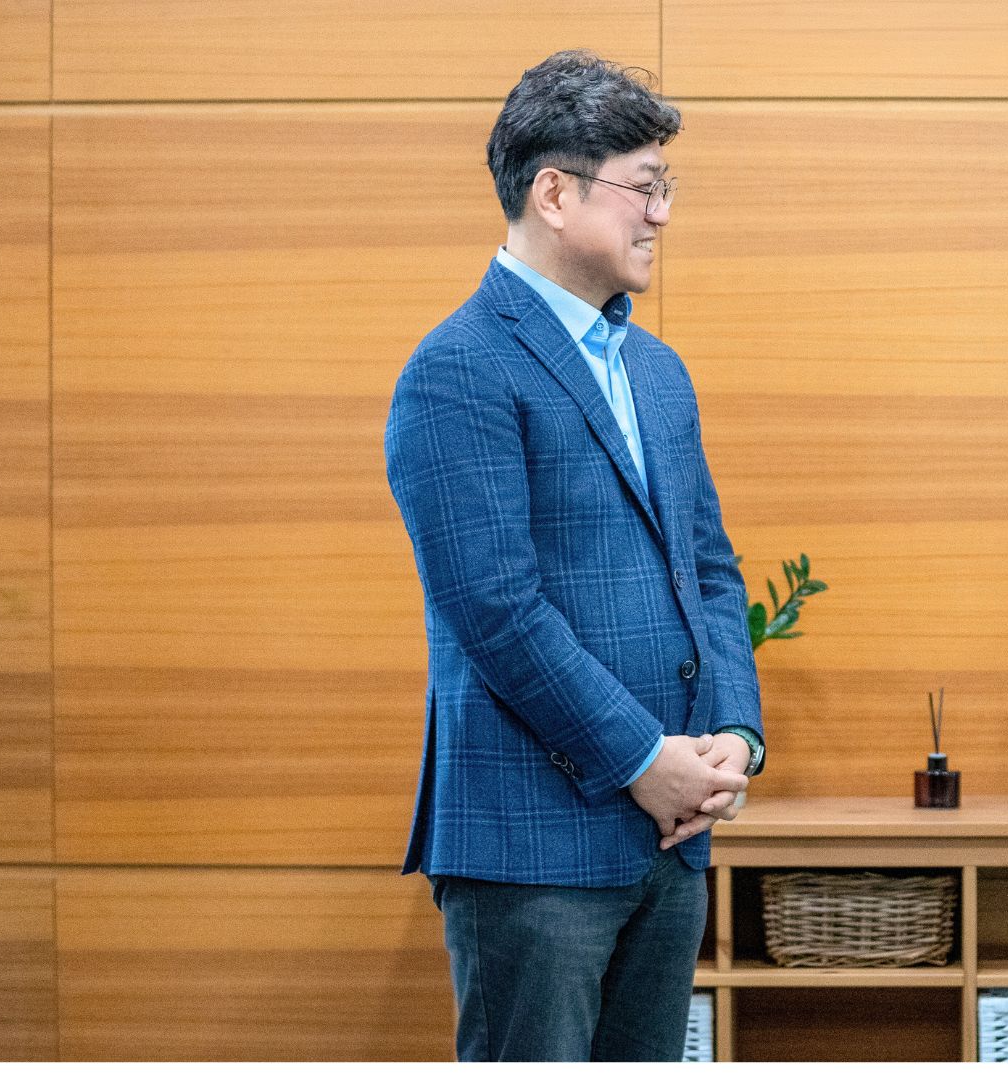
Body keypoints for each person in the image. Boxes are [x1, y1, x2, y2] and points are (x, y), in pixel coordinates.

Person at [383, 51, 764, 1062]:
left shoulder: (657, 369)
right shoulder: (456, 368)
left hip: (669, 839)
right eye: (644, 186)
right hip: (531, 843)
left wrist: (732, 729)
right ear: (553, 192)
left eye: (665, 187)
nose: (662, 214)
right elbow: (496, 612)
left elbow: (712, 571)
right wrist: (644, 761)